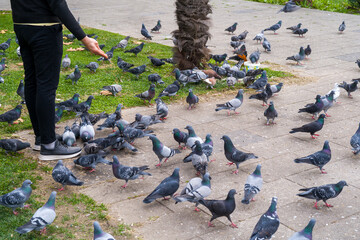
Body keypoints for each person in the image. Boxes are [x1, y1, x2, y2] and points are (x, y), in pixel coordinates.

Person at [10, 0, 107, 161]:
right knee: (46, 86)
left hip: (22, 25)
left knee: (32, 82)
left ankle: (42, 138)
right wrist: (84, 38)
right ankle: (49, 146)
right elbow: (57, 3)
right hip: (44, 29)